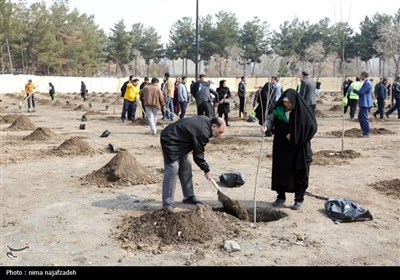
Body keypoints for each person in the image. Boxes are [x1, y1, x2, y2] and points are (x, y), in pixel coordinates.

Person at [260, 89, 317, 210]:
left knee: (300, 173)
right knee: (281, 172)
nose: (287, 105)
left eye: (289, 103)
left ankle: (299, 199)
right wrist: (266, 126)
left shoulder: (302, 112)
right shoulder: (279, 111)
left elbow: (312, 127)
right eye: (285, 102)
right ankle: (281, 196)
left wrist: (295, 135)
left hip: (299, 148)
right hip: (282, 148)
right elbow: (271, 119)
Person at [160, 116, 226, 212]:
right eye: (219, 132)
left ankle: (189, 196)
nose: (219, 135)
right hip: (170, 140)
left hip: (181, 142)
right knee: (173, 168)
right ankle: (167, 204)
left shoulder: (206, 123)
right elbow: (198, 155)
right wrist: (206, 170)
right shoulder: (203, 132)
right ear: (214, 126)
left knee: (186, 165)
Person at [351, 71, 374, 138]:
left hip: (365, 103)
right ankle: (365, 131)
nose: (360, 77)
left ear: (364, 76)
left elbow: (361, 92)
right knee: (360, 117)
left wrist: (353, 90)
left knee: (364, 118)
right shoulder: (366, 82)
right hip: (363, 102)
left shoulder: (368, 83)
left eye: (361, 75)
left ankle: (367, 132)